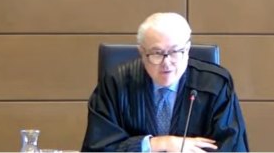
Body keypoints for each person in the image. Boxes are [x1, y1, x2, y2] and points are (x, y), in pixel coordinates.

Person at [81, 12, 249, 152]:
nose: (166, 63)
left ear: (188, 49)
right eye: (157, 53)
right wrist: (157, 144)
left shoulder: (216, 85)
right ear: (141, 52)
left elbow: (233, 148)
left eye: (175, 52)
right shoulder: (115, 84)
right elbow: (96, 148)